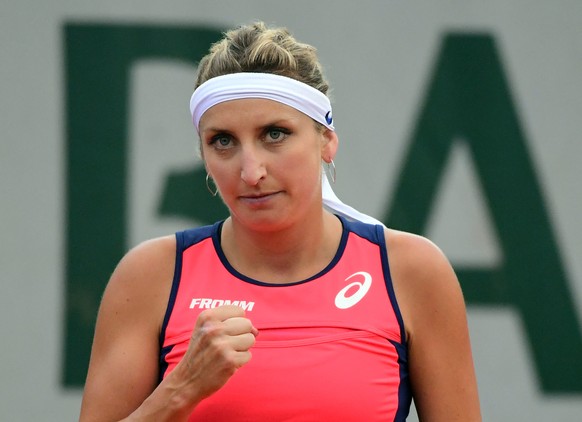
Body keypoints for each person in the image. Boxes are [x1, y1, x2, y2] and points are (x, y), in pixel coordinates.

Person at [79, 21, 481, 421]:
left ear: (326, 140)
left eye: (274, 134)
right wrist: (180, 390)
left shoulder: (412, 270)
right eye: (223, 141)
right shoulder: (150, 275)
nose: (250, 171)